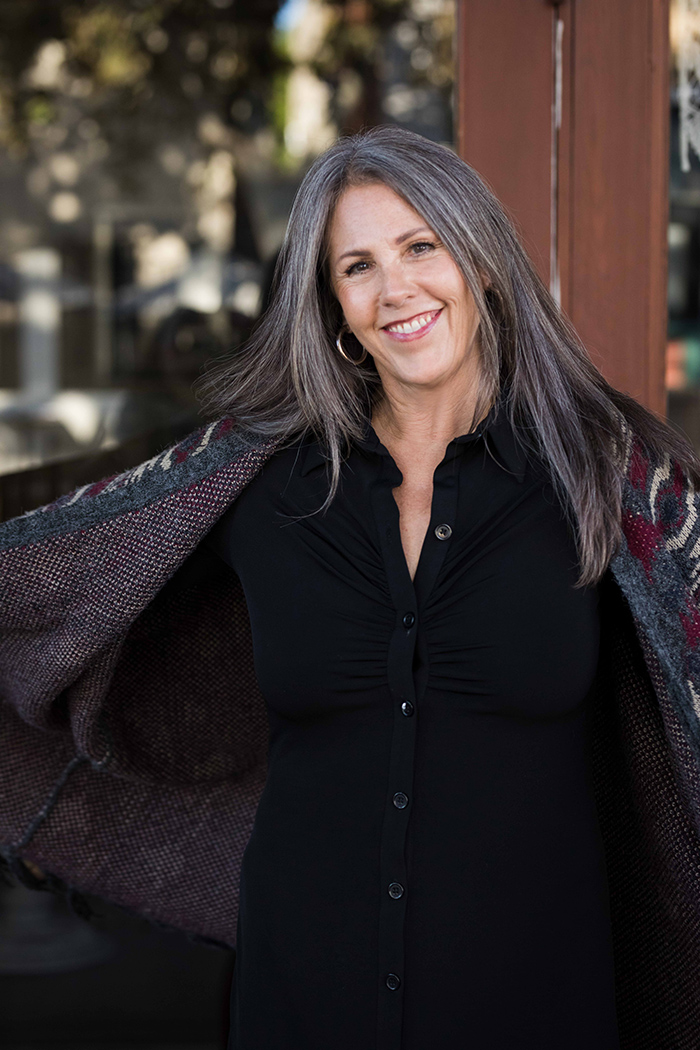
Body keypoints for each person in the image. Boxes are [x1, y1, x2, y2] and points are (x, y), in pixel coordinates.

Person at [2, 125, 700, 1050]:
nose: (395, 288)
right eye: (357, 266)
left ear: (483, 264)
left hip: (534, 1000)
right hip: (303, 995)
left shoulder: (609, 474)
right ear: (332, 302)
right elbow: (65, 567)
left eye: (421, 247)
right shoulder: (255, 483)